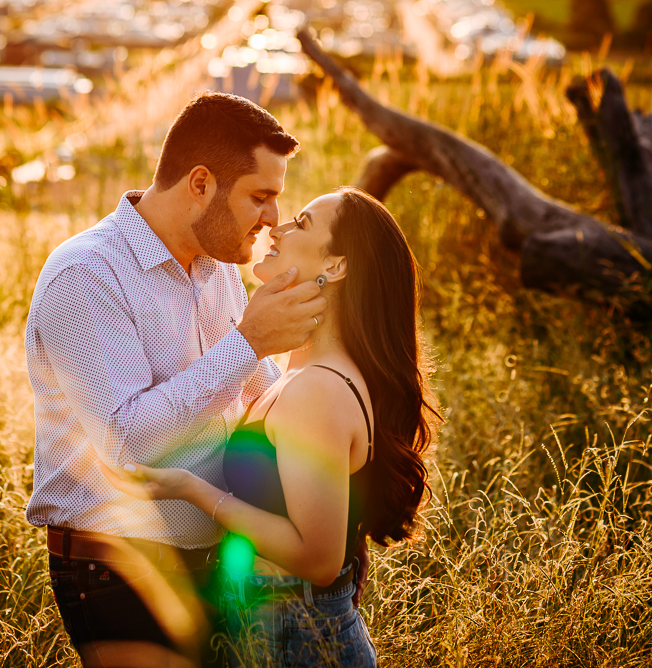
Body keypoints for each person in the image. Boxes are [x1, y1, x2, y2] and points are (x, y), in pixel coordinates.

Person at [25, 92, 330, 668]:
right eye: (260, 197)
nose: (271, 218)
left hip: (212, 554)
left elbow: (257, 394)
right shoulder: (86, 274)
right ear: (200, 184)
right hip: (119, 565)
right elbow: (125, 443)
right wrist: (249, 342)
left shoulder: (216, 266)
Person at [99, 186, 438, 668]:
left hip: (300, 638)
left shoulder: (317, 389)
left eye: (301, 224)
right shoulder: (301, 375)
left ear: (336, 267)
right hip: (275, 629)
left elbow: (318, 561)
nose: (277, 228)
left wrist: (192, 490)